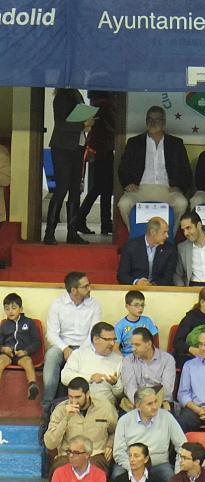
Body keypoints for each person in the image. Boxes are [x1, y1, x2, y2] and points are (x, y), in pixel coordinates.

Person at [117, 105, 192, 230]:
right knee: (123, 204)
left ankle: (170, 238)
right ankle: (134, 236)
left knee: (182, 203)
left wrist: (179, 187)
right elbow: (123, 167)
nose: (152, 122)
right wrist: (128, 183)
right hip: (140, 189)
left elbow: (185, 170)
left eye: (157, 119)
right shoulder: (134, 142)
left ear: (164, 122)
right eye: (149, 119)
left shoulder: (175, 143)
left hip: (167, 190)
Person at [44, 272, 102, 410]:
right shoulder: (57, 304)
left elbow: (94, 334)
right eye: (85, 286)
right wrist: (64, 348)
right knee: (51, 356)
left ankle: (88, 406)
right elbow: (51, 334)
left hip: (86, 346)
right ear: (74, 290)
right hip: (62, 345)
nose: (89, 289)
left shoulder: (95, 305)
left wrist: (78, 352)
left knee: (91, 359)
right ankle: (47, 406)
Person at [44, 88, 94, 245]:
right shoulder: (61, 96)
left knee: (75, 188)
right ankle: (49, 233)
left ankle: (72, 232)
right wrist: (83, 124)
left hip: (77, 146)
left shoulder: (77, 94)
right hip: (62, 147)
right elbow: (61, 123)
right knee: (62, 187)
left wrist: (87, 122)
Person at [44, 377, 117, 474]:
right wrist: (66, 418)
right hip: (68, 455)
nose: (73, 401)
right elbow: (50, 443)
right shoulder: (61, 410)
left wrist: (110, 444)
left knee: (93, 469)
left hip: (95, 454)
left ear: (87, 394)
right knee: (59, 469)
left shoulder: (105, 407)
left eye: (78, 397)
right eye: (70, 397)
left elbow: (116, 430)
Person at [113, 386, 187, 481]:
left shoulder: (167, 417)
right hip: (130, 464)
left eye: (156, 401)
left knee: (172, 479)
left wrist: (178, 471)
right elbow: (118, 452)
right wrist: (134, 466)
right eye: (149, 404)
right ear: (138, 406)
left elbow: (182, 445)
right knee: (116, 475)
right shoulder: (124, 421)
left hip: (159, 465)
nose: (155, 406)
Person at [74, 90, 116, 237]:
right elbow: (114, 125)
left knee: (99, 186)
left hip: (97, 147)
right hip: (105, 147)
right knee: (104, 187)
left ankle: (97, 221)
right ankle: (101, 222)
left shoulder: (95, 104)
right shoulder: (107, 105)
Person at [61, 321, 123, 405]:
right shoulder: (79, 354)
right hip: (77, 403)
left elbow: (120, 395)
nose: (112, 343)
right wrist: (90, 378)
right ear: (95, 339)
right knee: (58, 411)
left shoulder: (119, 360)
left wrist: (115, 384)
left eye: (114, 339)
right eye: (108, 339)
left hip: (103, 406)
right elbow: (65, 377)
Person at [120, 327, 175, 411]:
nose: (133, 349)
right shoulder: (128, 360)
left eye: (137, 345)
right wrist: (141, 404)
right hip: (136, 404)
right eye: (132, 345)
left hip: (160, 403)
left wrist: (149, 403)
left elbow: (167, 388)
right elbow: (129, 387)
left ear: (149, 344)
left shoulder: (167, 359)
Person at [172, 286, 205, 368]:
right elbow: (177, 343)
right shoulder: (190, 318)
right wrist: (192, 350)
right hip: (189, 355)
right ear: (202, 302)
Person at [0, 292, 40, 399]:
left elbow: (36, 342)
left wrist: (26, 351)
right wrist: (3, 349)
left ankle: (32, 386)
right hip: (7, 354)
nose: (10, 311)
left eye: (13, 308)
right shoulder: (4, 325)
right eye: (7, 309)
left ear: (21, 309)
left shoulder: (29, 323)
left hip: (22, 353)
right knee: (1, 361)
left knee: (28, 362)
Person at [117, 216, 177, 286]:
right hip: (135, 289)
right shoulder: (130, 246)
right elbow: (122, 275)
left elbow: (168, 278)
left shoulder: (170, 249)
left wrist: (152, 285)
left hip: (158, 289)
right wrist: (136, 282)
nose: (167, 236)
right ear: (152, 232)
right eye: (164, 232)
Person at [114, 290, 159, 357]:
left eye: (142, 305)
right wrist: (124, 360)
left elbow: (154, 344)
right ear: (127, 306)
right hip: (128, 357)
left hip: (145, 357)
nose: (140, 308)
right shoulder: (120, 326)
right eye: (136, 305)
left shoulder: (147, 321)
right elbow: (115, 348)